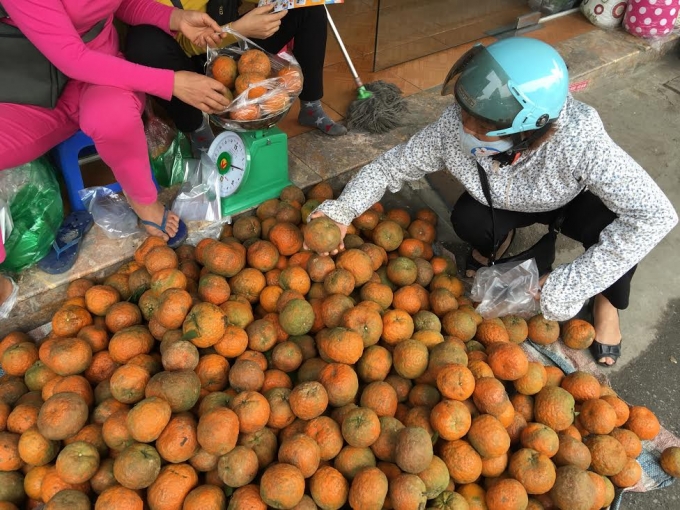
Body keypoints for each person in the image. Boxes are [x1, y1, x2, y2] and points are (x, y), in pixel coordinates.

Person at [310, 37, 678, 367]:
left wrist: (572, 283)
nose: (467, 127)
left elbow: (653, 215)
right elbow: (392, 166)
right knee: (469, 220)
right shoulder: (452, 127)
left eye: (482, 125)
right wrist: (344, 211)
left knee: (616, 228)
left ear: (530, 127)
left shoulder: (580, 140)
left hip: (571, 198)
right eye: (465, 114)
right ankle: (493, 247)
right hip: (502, 199)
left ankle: (608, 303)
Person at [0, 0, 232, 248]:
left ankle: (143, 200)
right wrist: (171, 83)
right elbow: (72, 58)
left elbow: (120, 3)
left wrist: (176, 18)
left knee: (113, 116)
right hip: (29, 81)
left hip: (102, 71)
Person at [124, 0, 346, 154]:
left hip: (236, 41)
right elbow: (186, 44)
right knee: (143, 44)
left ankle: (311, 107)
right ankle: (199, 132)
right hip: (191, 60)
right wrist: (238, 28)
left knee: (309, 8)